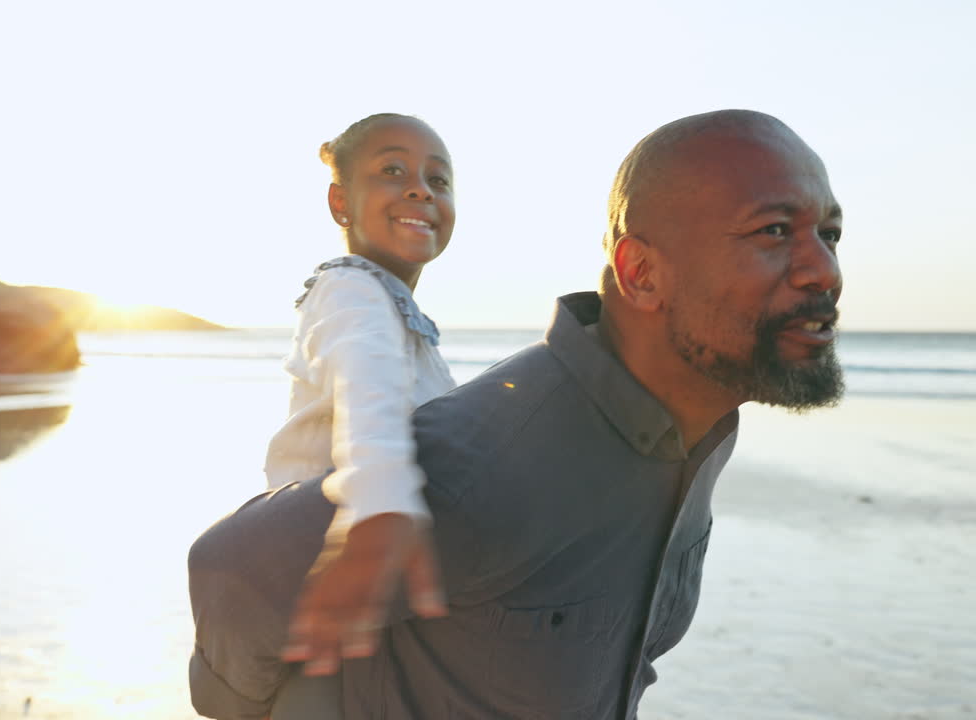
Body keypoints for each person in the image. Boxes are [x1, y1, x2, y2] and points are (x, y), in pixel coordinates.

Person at [187, 109, 846, 720]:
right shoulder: (491, 454)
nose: (825, 270)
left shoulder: (696, 439)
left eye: (830, 233)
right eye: (774, 232)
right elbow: (232, 572)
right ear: (640, 273)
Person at [263, 113, 459, 680]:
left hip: (370, 584)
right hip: (325, 573)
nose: (420, 188)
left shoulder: (403, 318)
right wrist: (380, 508)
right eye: (392, 170)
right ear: (340, 203)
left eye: (438, 179)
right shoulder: (349, 289)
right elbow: (365, 383)